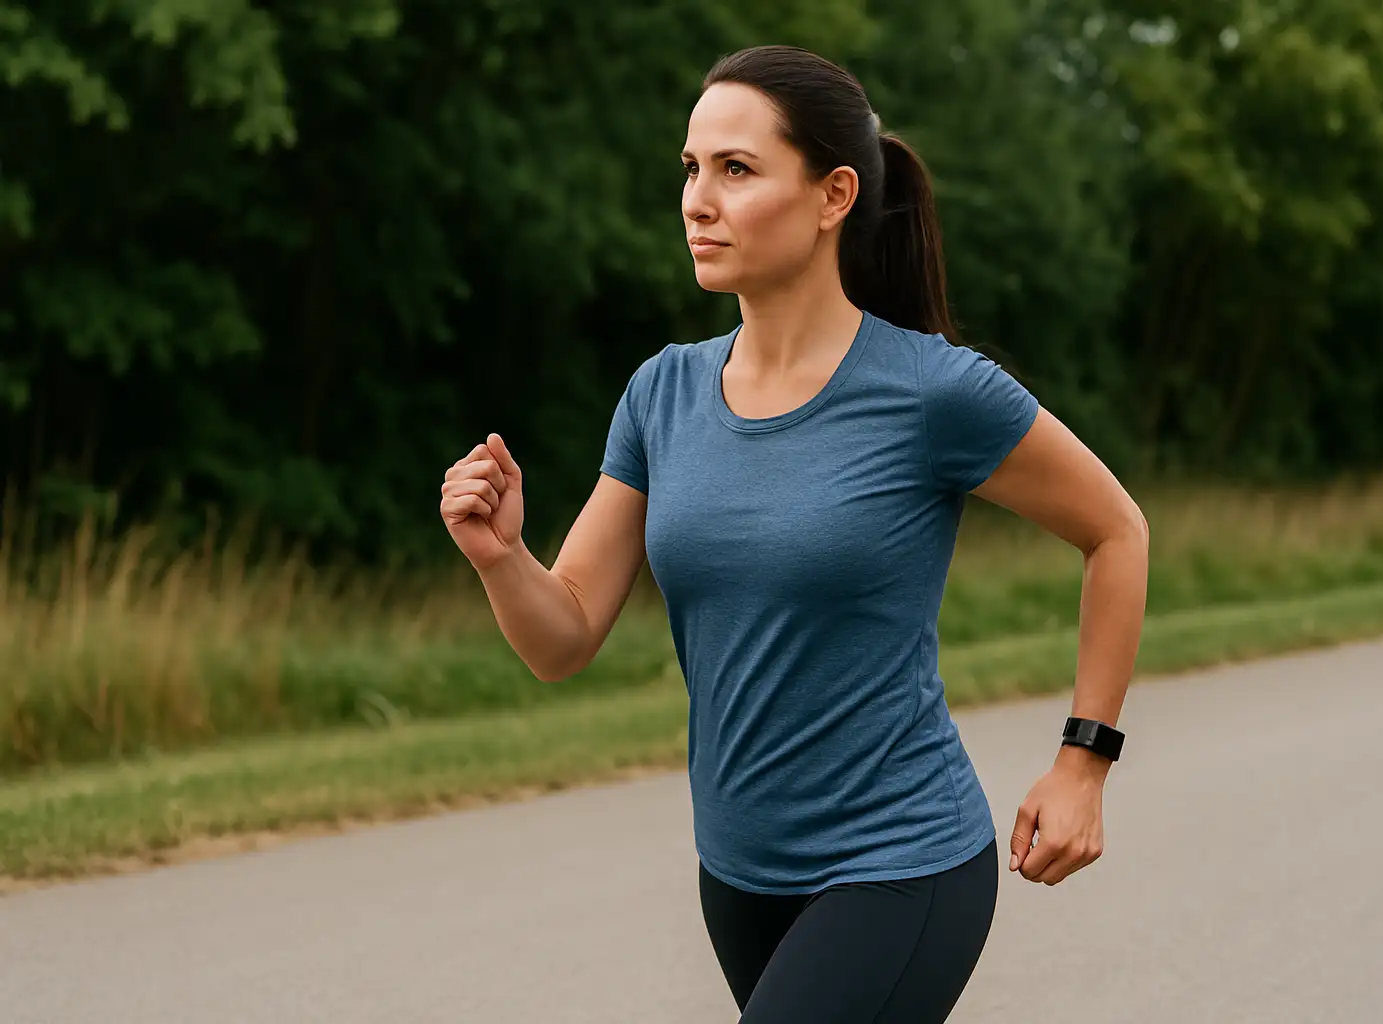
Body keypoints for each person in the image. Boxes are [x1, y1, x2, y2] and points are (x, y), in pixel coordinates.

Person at [439, 44, 1149, 1024]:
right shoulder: (663, 394)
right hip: (737, 872)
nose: (697, 199)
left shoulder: (930, 391)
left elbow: (1117, 529)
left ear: (833, 196)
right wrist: (500, 556)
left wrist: (1084, 763)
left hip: (900, 861)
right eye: (691, 168)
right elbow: (563, 636)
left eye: (736, 169)